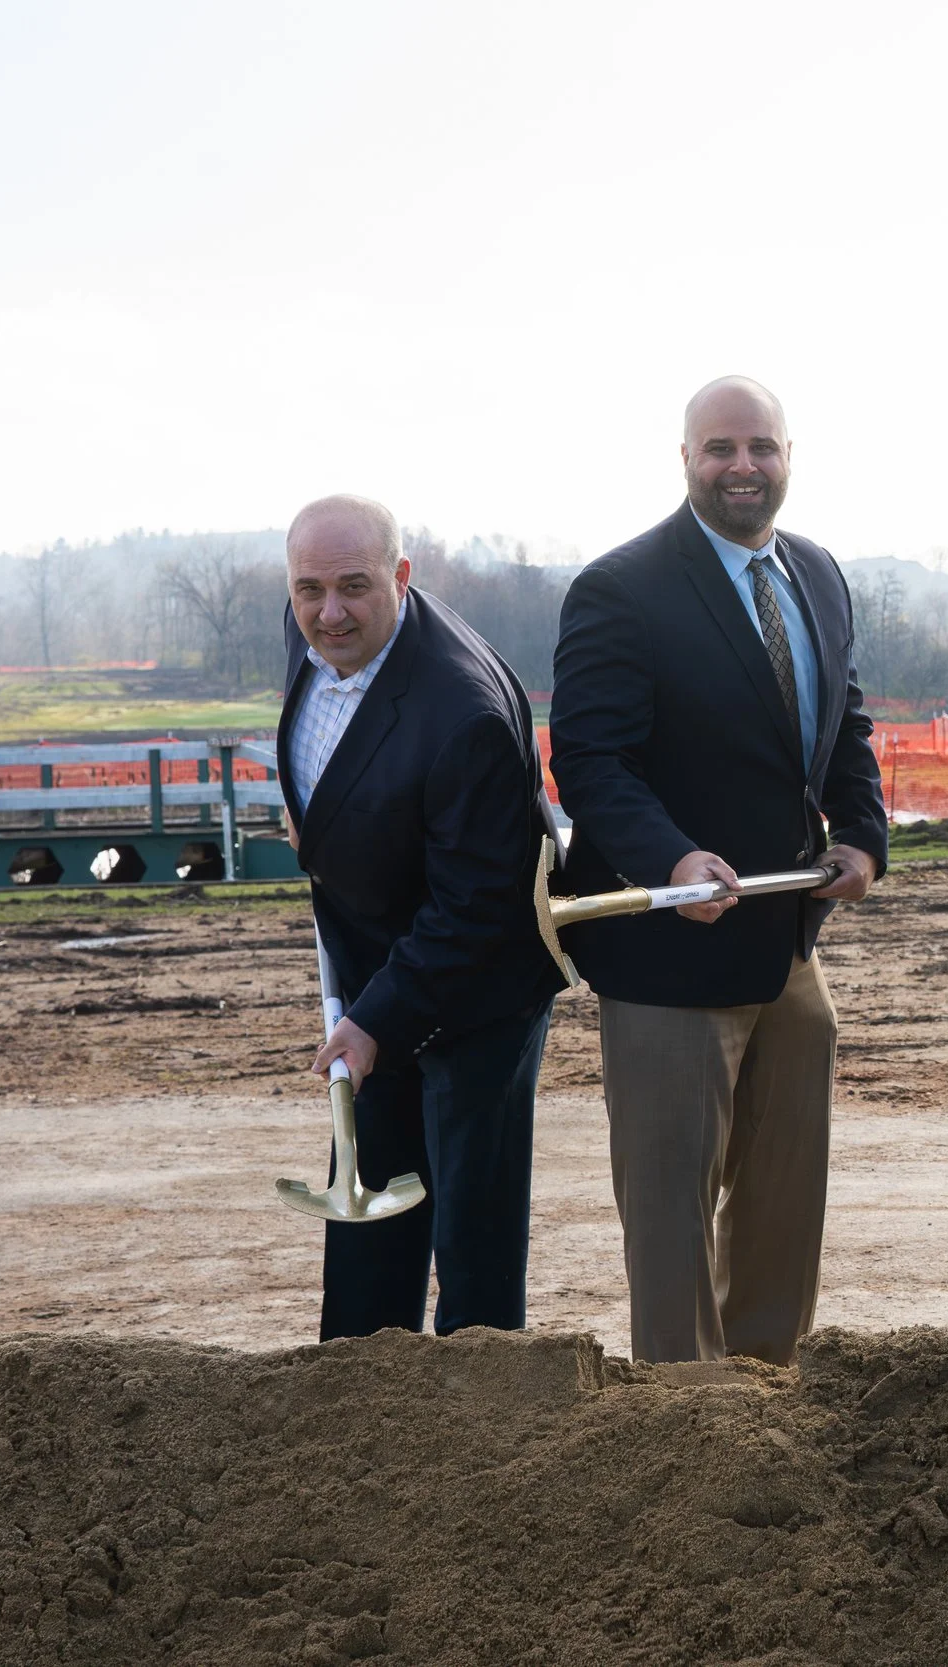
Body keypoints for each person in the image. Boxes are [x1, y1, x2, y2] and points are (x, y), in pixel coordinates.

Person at [549, 375, 887, 1365]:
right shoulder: (620, 589)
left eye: (762, 447)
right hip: (667, 960)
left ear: (789, 457)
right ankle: (680, 1421)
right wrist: (671, 856)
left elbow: (845, 727)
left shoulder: (817, 575)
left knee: (785, 1204)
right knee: (670, 1221)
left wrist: (864, 833)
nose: (743, 466)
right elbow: (591, 762)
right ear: (686, 460)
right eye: (721, 449)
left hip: (786, 950)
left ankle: (766, 1392)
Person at [277, 493, 567, 1341]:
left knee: (470, 1230)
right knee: (369, 1200)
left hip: (479, 989)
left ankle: (481, 1421)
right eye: (309, 590)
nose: (329, 613)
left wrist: (374, 1022)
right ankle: (361, 1391)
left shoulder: (462, 714)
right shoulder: (317, 628)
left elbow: (474, 909)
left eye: (354, 587)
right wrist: (320, 822)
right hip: (378, 961)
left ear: (401, 578)